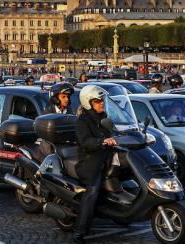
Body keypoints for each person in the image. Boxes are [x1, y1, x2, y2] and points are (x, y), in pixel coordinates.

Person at [72, 85, 116, 244]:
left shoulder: (103, 116)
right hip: (91, 162)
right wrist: (102, 141)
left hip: (106, 158)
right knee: (93, 191)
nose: (101, 103)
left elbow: (114, 130)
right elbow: (85, 142)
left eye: (101, 100)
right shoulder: (82, 121)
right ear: (88, 103)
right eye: (97, 101)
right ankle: (79, 231)